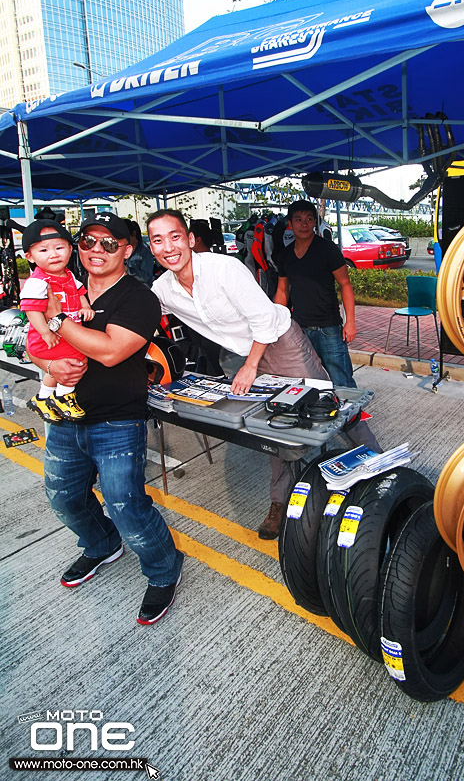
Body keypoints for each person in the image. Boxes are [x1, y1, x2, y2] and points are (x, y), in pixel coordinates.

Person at [27, 211, 183, 625]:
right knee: (63, 498)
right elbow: (28, 339)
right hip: (63, 418)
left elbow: (112, 350)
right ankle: (100, 545)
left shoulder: (139, 298)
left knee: (126, 505)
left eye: (109, 243)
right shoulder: (60, 283)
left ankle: (165, 568)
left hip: (116, 420)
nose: (97, 250)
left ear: (127, 251)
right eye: (88, 241)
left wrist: (58, 319)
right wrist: (47, 363)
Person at [146, 209, 330, 539]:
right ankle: (280, 501)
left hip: (281, 340)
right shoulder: (162, 289)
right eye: (158, 240)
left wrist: (249, 367)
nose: (168, 247)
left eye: (175, 237)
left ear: (189, 240)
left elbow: (263, 321)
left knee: (326, 408)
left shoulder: (224, 268)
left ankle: (372, 465)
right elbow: (139, 317)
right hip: (250, 352)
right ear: (151, 248)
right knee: (275, 427)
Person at [274, 200, 358, 388]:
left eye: (309, 219)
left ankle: (353, 416)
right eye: (298, 219)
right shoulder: (285, 255)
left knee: (342, 380)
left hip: (329, 329)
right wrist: (277, 322)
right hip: (299, 329)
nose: (304, 224)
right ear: (290, 223)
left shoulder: (327, 249)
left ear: (315, 222)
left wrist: (350, 322)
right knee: (306, 381)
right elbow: (282, 290)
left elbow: (345, 283)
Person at [21, 219, 93, 423]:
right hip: (48, 337)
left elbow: (79, 293)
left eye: (59, 248)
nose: (53, 254)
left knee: (72, 358)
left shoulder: (69, 275)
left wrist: (85, 306)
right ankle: (63, 396)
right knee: (79, 358)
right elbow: (32, 310)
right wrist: (45, 332)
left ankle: (44, 397)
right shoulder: (38, 281)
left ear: (70, 250)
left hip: (62, 333)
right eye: (43, 250)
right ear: (30, 256)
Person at [125, 219, 155, 286]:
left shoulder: (144, 251)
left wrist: (128, 270)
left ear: (133, 233)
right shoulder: (122, 250)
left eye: (126, 236)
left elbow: (146, 277)